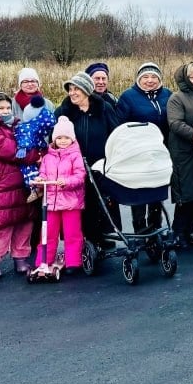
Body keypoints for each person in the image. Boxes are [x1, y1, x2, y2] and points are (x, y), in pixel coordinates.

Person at [0, 93, 39, 278]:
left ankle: (21, 258)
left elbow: (31, 143)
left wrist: (31, 147)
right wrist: (31, 153)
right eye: (1, 108)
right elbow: (6, 148)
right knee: (1, 226)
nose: (5, 111)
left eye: (8, 108)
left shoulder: (17, 125)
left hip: (21, 182)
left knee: (23, 223)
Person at [54, 71, 121, 250]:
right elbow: (55, 139)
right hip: (73, 167)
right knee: (79, 205)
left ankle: (102, 236)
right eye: (70, 89)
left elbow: (115, 134)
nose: (72, 93)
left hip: (100, 165)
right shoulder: (63, 112)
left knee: (101, 202)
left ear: (87, 91)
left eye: (77, 89)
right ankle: (82, 241)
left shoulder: (104, 108)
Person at [117, 62, 171, 233]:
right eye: (145, 77)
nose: (150, 80)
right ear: (139, 79)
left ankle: (156, 229)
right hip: (137, 154)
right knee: (139, 193)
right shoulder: (128, 97)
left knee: (156, 193)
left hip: (160, 153)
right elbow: (120, 126)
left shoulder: (168, 95)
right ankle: (140, 230)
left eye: (154, 77)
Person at [31, 116, 87, 279]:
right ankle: (44, 260)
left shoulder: (75, 155)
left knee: (72, 233)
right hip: (50, 202)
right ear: (54, 139)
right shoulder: (48, 156)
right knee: (47, 233)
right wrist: (41, 180)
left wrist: (66, 181)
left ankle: (73, 262)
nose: (63, 141)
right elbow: (43, 172)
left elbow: (79, 175)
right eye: (59, 138)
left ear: (72, 139)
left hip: (71, 202)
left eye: (66, 138)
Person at [167, 63, 193, 247]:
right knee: (186, 194)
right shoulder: (177, 98)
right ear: (185, 78)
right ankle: (178, 232)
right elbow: (175, 123)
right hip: (183, 153)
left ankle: (191, 230)